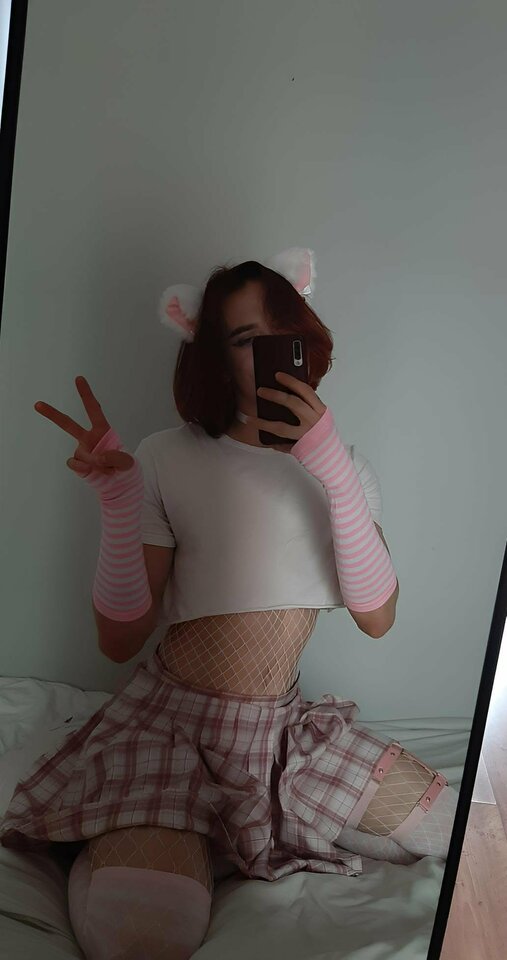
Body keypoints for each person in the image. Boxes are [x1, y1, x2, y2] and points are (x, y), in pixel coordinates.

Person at [0, 250, 458, 959]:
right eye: (247, 340)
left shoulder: (345, 469)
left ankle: (234, 829)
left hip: (282, 738)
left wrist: (333, 471)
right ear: (213, 355)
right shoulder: (165, 456)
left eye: (284, 335)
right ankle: (160, 831)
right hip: (173, 727)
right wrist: (118, 503)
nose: (272, 355)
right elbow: (120, 641)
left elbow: (377, 618)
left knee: (452, 829)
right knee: (145, 934)